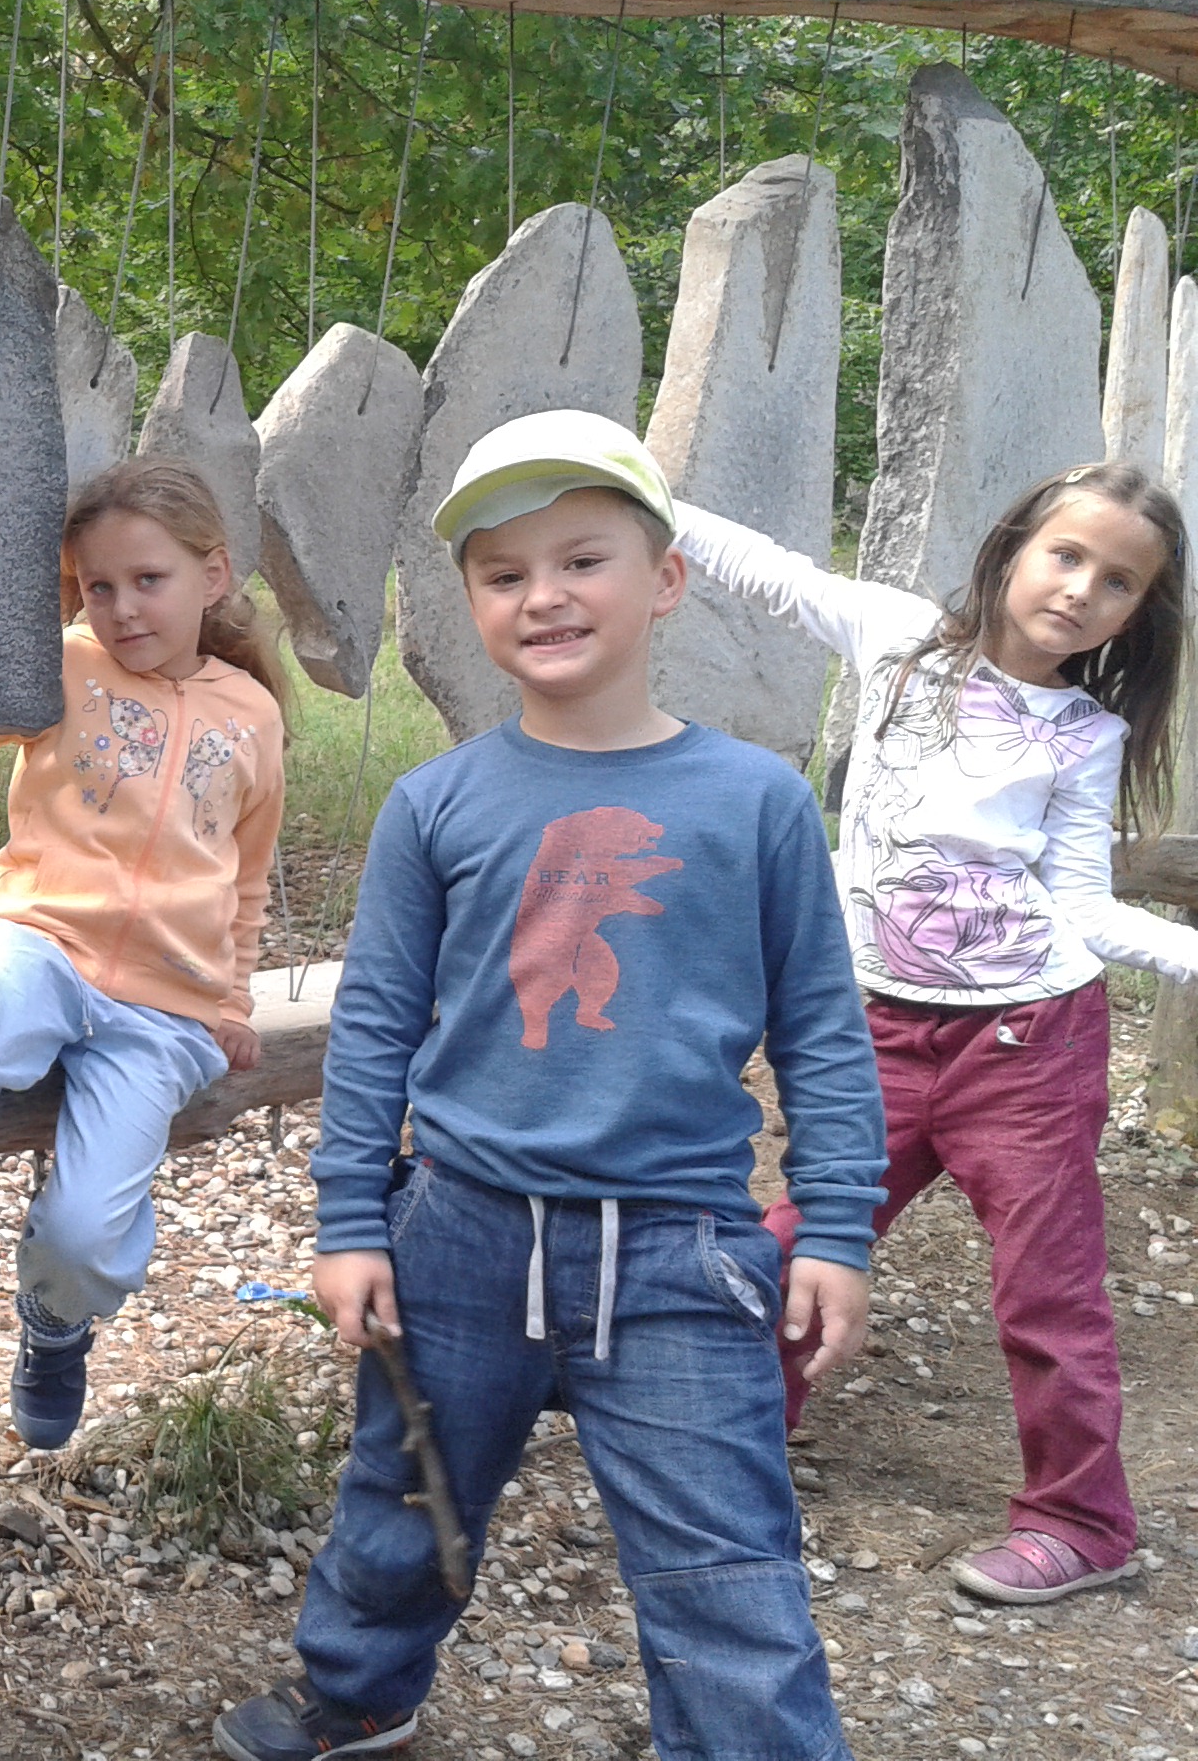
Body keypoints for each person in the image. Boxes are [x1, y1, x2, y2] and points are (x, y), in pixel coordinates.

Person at [218, 410, 885, 1761]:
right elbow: (378, 1025)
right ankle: (358, 1691)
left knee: (725, 1558)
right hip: (457, 1228)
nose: (544, 596)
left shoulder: (757, 801)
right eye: (504, 573)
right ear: (468, 603)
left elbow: (822, 1027)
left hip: (683, 1247)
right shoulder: (435, 803)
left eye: (583, 559)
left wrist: (834, 1226)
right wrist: (348, 1221)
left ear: (666, 578)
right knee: (403, 1494)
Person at [677, 459, 1197, 1605]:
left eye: (1117, 581)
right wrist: (626, 493)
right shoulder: (899, 640)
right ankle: (736, 1441)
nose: (1081, 589)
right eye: (1066, 555)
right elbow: (769, 573)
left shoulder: (1083, 735)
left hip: (1029, 1045)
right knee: (795, 1238)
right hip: (872, 1030)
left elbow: (1082, 908)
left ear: (1134, 614)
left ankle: (1083, 1522)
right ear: (1013, 546)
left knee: (1047, 1290)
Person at [0, 457, 287, 1449]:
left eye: (148, 580)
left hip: (165, 1010)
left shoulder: (252, 716)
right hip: (42, 946)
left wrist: (230, 1003)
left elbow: (248, 874)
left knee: (88, 1238)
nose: (122, 608)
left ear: (212, 574)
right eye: (98, 585)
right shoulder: (62, 663)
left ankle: (54, 1326)